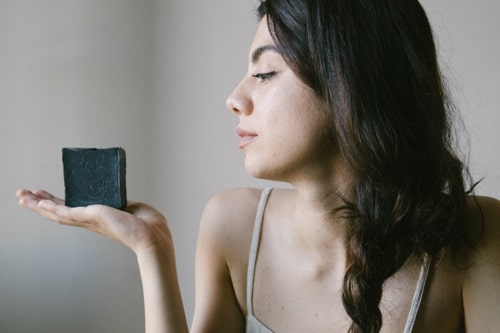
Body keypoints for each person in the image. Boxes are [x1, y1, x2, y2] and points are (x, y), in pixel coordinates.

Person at [16, 0, 500, 332]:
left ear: (348, 85)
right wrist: (152, 249)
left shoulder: (478, 237)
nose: (234, 98)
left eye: (265, 73)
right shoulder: (232, 226)